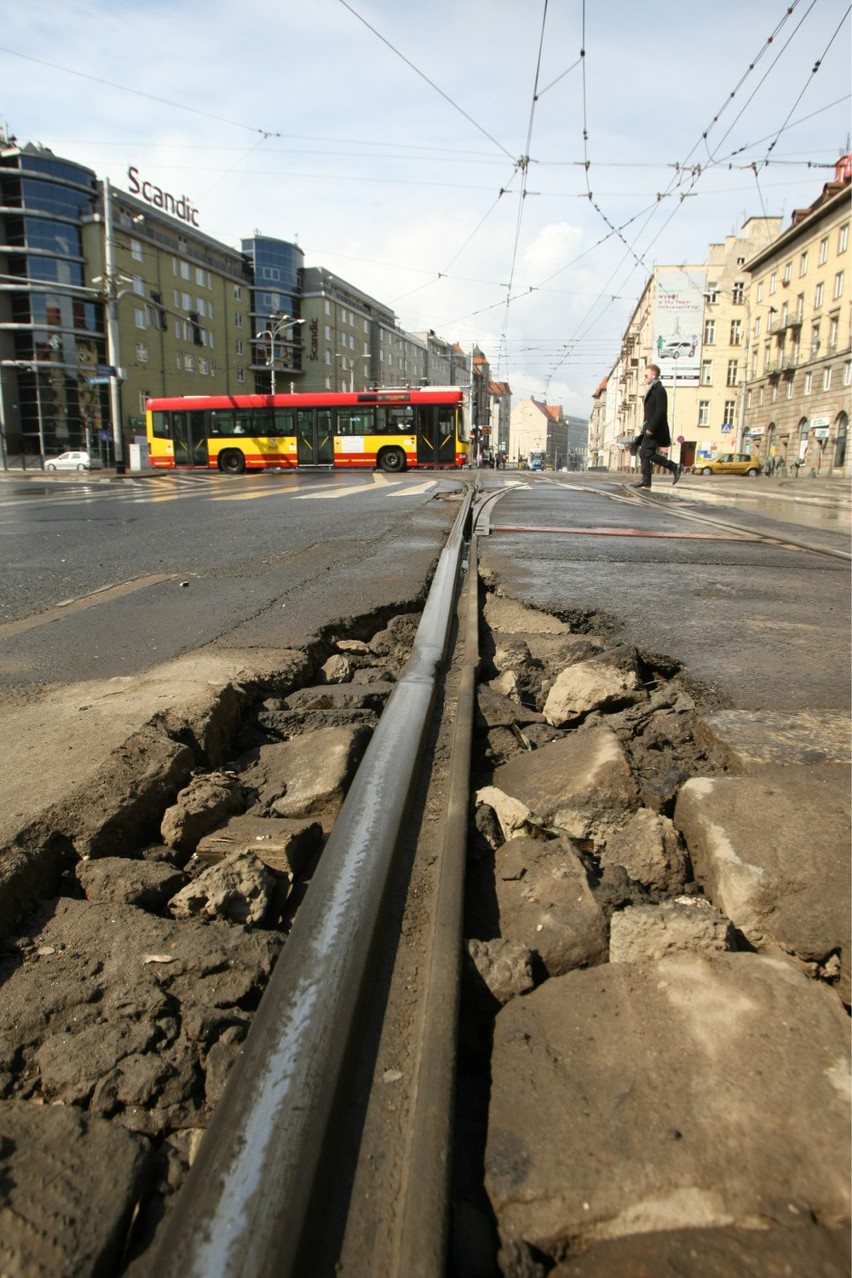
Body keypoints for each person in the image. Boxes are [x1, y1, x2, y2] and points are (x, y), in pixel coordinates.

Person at [634, 364, 683, 490]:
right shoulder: (651, 389)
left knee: (646, 453)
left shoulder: (659, 390)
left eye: (646, 375)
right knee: (644, 453)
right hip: (648, 427)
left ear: (654, 375)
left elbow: (661, 411)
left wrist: (651, 428)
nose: (644, 378)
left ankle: (674, 466)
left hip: (653, 429)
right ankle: (646, 480)